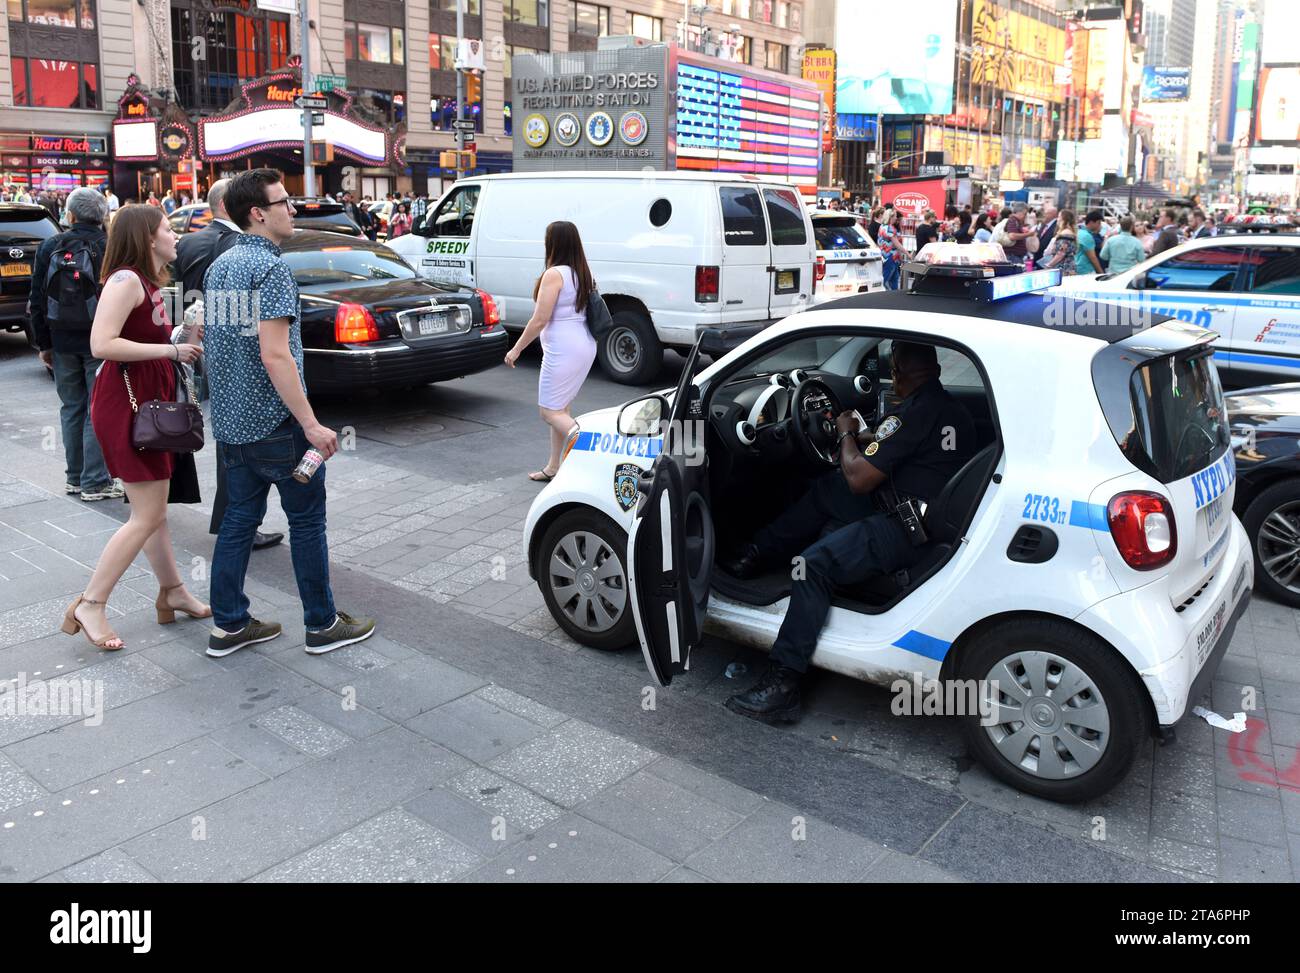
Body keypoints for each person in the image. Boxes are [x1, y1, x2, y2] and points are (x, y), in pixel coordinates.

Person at [722, 342, 976, 722]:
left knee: (812, 566)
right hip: (922, 511)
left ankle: (782, 684)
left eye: (894, 371)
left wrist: (844, 433)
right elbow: (896, 455)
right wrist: (866, 436)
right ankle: (755, 553)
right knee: (827, 488)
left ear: (899, 372)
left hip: (907, 531)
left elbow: (859, 477)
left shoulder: (911, 413)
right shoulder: (949, 409)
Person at [203, 168, 375, 658]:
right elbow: (274, 354)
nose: (291, 209)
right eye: (283, 202)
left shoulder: (222, 267)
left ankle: (230, 625)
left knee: (238, 521)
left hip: (234, 423)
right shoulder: (271, 269)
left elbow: (224, 347)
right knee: (306, 523)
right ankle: (321, 624)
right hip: (277, 425)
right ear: (258, 213)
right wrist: (311, 424)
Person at [60, 205, 208, 650]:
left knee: (154, 512)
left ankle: (173, 592)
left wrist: (181, 335)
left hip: (145, 403)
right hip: (127, 406)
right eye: (168, 229)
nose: (176, 235)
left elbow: (144, 337)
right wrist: (168, 353)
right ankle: (91, 602)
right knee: (146, 514)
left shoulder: (147, 282)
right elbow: (101, 343)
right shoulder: (126, 280)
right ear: (147, 237)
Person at [175, 179, 286, 553]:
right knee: (243, 451)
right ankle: (235, 522)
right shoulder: (238, 247)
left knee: (226, 437)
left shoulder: (189, 241)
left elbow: (182, 297)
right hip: (243, 356)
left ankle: (232, 522)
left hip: (205, 345)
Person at [29, 187, 122, 502]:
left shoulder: (50, 246)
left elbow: (37, 299)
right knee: (96, 409)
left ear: (69, 215)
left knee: (71, 407)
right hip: (100, 341)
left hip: (61, 339)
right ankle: (95, 481)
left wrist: (44, 343)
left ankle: (74, 478)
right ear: (103, 215)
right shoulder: (108, 246)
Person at [503, 221, 597, 482]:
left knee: (549, 412)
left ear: (553, 244)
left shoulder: (554, 274)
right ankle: (555, 467)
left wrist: (516, 349)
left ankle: (591, 444)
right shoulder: (582, 272)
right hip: (583, 346)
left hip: (563, 351)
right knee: (561, 409)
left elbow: (539, 320)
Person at [1041, 209, 1078, 275]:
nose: (1057, 219)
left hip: (1063, 268)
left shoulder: (1065, 234)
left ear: (1063, 219)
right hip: (1067, 267)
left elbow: (1061, 254)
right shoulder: (1069, 233)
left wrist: (1049, 265)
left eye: (1059, 217)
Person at [877, 210, 906, 290]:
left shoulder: (882, 226)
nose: (896, 218)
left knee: (893, 278)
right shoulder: (890, 228)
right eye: (895, 216)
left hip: (887, 256)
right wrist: (907, 253)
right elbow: (897, 244)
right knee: (888, 279)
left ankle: (893, 296)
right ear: (891, 217)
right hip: (890, 257)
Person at [1076, 209, 1105, 275]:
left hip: (1079, 268)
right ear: (1091, 222)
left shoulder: (1080, 232)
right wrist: (1101, 273)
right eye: (1099, 223)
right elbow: (1093, 258)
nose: (1100, 225)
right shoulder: (1087, 236)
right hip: (1086, 270)